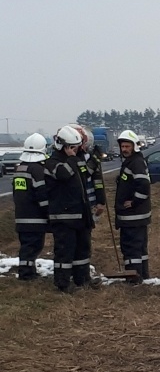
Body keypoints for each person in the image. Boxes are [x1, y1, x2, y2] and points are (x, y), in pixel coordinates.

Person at [44, 125, 95, 292]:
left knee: (82, 250)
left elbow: (85, 174)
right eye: (72, 148)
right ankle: (62, 284)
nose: (75, 151)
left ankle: (83, 279)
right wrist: (73, 159)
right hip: (63, 217)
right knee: (65, 252)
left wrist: (93, 160)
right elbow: (63, 174)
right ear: (63, 146)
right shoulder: (52, 163)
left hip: (80, 215)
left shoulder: (76, 159)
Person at [114, 130, 151, 284]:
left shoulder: (135, 162)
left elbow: (143, 184)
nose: (124, 149)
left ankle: (133, 278)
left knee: (131, 248)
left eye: (127, 146)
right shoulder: (133, 161)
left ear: (134, 146)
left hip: (133, 216)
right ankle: (142, 275)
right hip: (136, 216)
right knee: (140, 248)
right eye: (122, 146)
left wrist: (134, 201)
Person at [12, 133, 50, 281]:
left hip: (21, 216)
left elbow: (17, 193)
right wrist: (48, 213)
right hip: (35, 218)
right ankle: (27, 274)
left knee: (26, 246)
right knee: (33, 247)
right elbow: (42, 195)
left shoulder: (20, 169)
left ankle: (28, 271)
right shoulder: (38, 170)